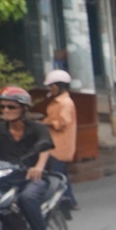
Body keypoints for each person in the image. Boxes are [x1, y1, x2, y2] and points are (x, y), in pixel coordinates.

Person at [0, 87, 62, 230]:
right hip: (5, 177)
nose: (6, 111)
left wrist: (38, 166)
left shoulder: (37, 128)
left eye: (11, 107)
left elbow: (45, 146)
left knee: (27, 198)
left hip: (33, 177)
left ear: (23, 108)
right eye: (3, 107)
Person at [40, 70, 76, 208]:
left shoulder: (65, 103)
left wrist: (47, 122)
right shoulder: (58, 101)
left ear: (59, 85)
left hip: (59, 145)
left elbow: (62, 123)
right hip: (54, 143)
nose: (50, 89)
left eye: (52, 86)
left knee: (57, 175)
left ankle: (64, 202)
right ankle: (70, 201)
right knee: (61, 175)